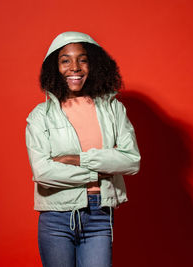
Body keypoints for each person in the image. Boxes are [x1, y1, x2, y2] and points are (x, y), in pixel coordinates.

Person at [25, 31, 141, 267]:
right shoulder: (40, 116)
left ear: (94, 64)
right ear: (54, 68)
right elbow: (43, 173)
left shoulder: (113, 109)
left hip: (99, 215)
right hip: (56, 217)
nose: (75, 67)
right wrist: (97, 173)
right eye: (65, 60)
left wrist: (78, 159)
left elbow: (131, 161)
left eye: (83, 59)